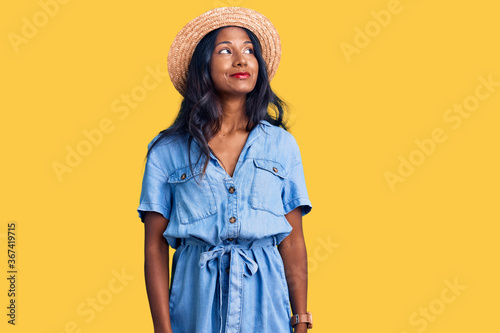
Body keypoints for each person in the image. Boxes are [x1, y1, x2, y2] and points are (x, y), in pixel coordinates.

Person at [137, 7, 313, 333]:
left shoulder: (281, 145)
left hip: (267, 307)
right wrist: (163, 329)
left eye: (249, 50)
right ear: (204, 64)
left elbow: (293, 241)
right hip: (195, 306)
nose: (241, 59)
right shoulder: (167, 151)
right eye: (225, 51)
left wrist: (300, 319)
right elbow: (154, 245)